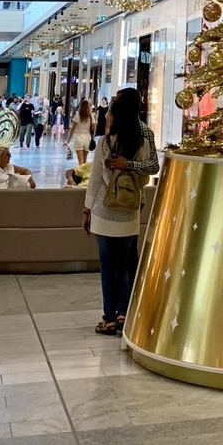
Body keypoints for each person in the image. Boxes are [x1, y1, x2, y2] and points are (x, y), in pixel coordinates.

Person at [83, 88, 159, 336]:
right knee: (125, 263)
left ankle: (108, 317)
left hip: (105, 212)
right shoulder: (142, 142)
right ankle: (124, 313)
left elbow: (95, 181)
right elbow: (146, 176)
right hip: (130, 210)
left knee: (109, 266)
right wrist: (132, 169)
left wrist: (86, 210)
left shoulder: (105, 144)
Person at [66, 97, 95, 165]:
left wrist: (68, 140)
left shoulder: (77, 116)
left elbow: (72, 129)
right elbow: (94, 128)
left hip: (78, 138)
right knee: (84, 161)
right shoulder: (91, 116)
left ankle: (80, 174)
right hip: (87, 138)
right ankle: (83, 174)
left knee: (80, 161)